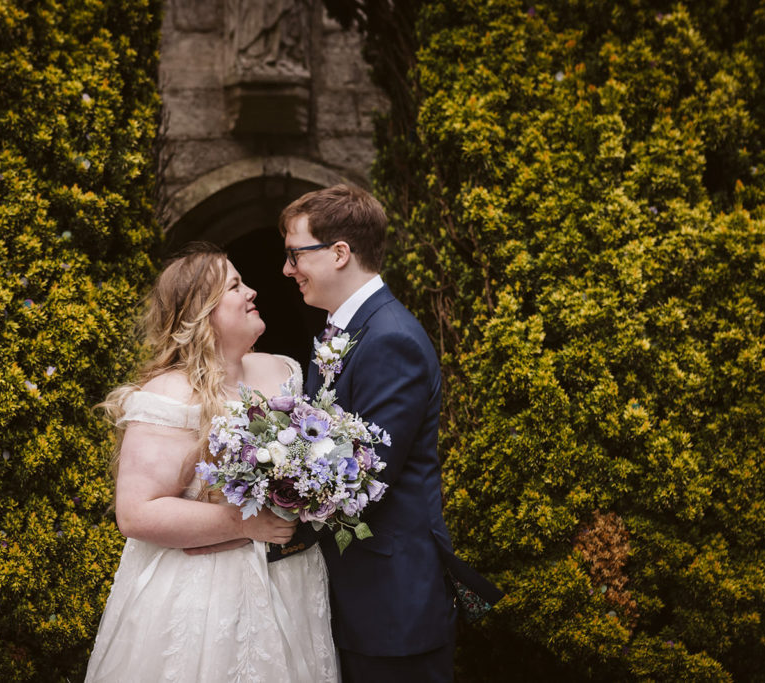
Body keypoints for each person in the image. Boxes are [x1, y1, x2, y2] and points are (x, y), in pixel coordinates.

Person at [85, 243, 339, 682]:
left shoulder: (283, 372)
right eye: (236, 286)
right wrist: (242, 524)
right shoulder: (169, 395)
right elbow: (136, 512)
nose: (252, 292)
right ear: (201, 314)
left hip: (292, 577)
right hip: (205, 592)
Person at [280, 184, 502, 682]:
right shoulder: (349, 331)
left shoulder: (390, 340)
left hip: (390, 601)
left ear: (339, 254)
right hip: (360, 595)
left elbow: (362, 477)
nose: (287, 270)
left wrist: (271, 496)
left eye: (296, 255)